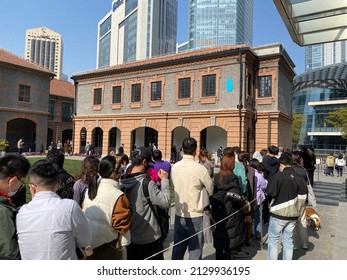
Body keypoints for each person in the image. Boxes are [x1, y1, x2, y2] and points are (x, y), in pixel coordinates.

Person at [16, 160, 91, 260]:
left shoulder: (21, 213)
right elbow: (85, 240)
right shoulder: (69, 207)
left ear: (32, 187)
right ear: (58, 183)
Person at [120, 147, 170, 260]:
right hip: (149, 238)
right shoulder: (147, 184)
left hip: (130, 237)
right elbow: (166, 202)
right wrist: (165, 180)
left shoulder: (123, 180)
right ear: (144, 162)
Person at [171, 137, 214, 260]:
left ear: (182, 150)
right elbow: (210, 189)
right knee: (195, 251)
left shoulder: (175, 167)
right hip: (196, 214)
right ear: (195, 151)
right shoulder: (200, 169)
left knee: (177, 250)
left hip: (179, 213)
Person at [83, 156, 131, 260]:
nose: (121, 173)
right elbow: (122, 225)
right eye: (120, 171)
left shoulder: (91, 188)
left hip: (88, 243)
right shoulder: (118, 195)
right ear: (114, 173)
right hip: (107, 247)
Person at [266, 153, 307, 260]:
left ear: (282, 164)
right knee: (288, 241)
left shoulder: (278, 176)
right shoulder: (299, 178)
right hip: (293, 215)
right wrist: (296, 209)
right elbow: (303, 198)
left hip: (277, 214)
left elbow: (270, 192)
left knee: (273, 240)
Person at [210, 154, 245, 259]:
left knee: (219, 248)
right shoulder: (233, 178)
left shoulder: (217, 177)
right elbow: (238, 198)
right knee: (229, 251)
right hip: (231, 213)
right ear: (231, 165)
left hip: (217, 213)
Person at [0, 154, 30, 259]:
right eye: (21, 182)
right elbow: (10, 252)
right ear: (12, 181)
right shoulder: (3, 211)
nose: (21, 186)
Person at [291, 150, 313, 251]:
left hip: (291, 198)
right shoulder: (304, 170)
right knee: (302, 220)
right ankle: (304, 243)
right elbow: (308, 185)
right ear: (300, 160)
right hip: (302, 198)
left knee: (292, 222)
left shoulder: (289, 170)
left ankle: (294, 243)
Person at [249, 159, 268, 241]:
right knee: (258, 217)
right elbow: (264, 185)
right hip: (258, 198)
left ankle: (249, 233)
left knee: (250, 217)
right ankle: (257, 234)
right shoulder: (259, 175)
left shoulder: (248, 173)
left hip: (250, 198)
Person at [261, 145, 280, 224]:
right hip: (275, 181)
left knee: (265, 201)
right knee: (274, 199)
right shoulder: (277, 160)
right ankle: (274, 216)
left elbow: (263, 169)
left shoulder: (265, 158)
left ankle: (266, 218)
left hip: (266, 179)